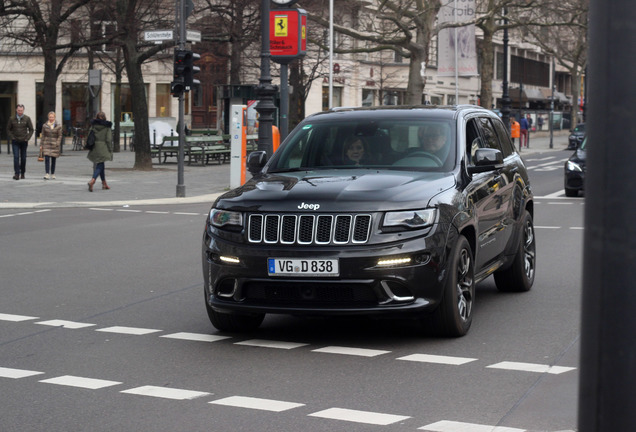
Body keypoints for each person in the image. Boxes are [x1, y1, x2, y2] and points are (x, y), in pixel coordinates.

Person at [86, 111, 113, 192]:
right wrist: (110, 150)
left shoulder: (93, 126)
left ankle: (104, 183)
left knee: (101, 164)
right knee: (100, 165)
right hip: (103, 146)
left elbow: (89, 135)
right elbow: (108, 139)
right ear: (104, 117)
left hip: (95, 147)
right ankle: (93, 180)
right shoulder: (107, 127)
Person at [7, 104, 35, 180]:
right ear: (16, 110)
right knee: (16, 157)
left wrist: (27, 138)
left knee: (23, 158)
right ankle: (16, 173)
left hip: (24, 141)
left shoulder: (27, 118)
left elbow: (31, 129)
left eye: (21, 110)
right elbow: (8, 129)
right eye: (19, 110)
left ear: (23, 110)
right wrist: (12, 137)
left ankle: (22, 172)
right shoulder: (12, 118)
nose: (20, 112)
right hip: (15, 141)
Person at [40, 111, 63, 180]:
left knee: (53, 159)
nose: (51, 118)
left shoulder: (58, 126)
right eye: (50, 117)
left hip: (54, 145)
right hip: (46, 144)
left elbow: (60, 135)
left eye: (52, 117)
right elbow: (43, 135)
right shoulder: (45, 125)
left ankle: (52, 173)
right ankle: (47, 173)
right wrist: (41, 144)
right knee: (46, 159)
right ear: (48, 117)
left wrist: (57, 143)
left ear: (54, 117)